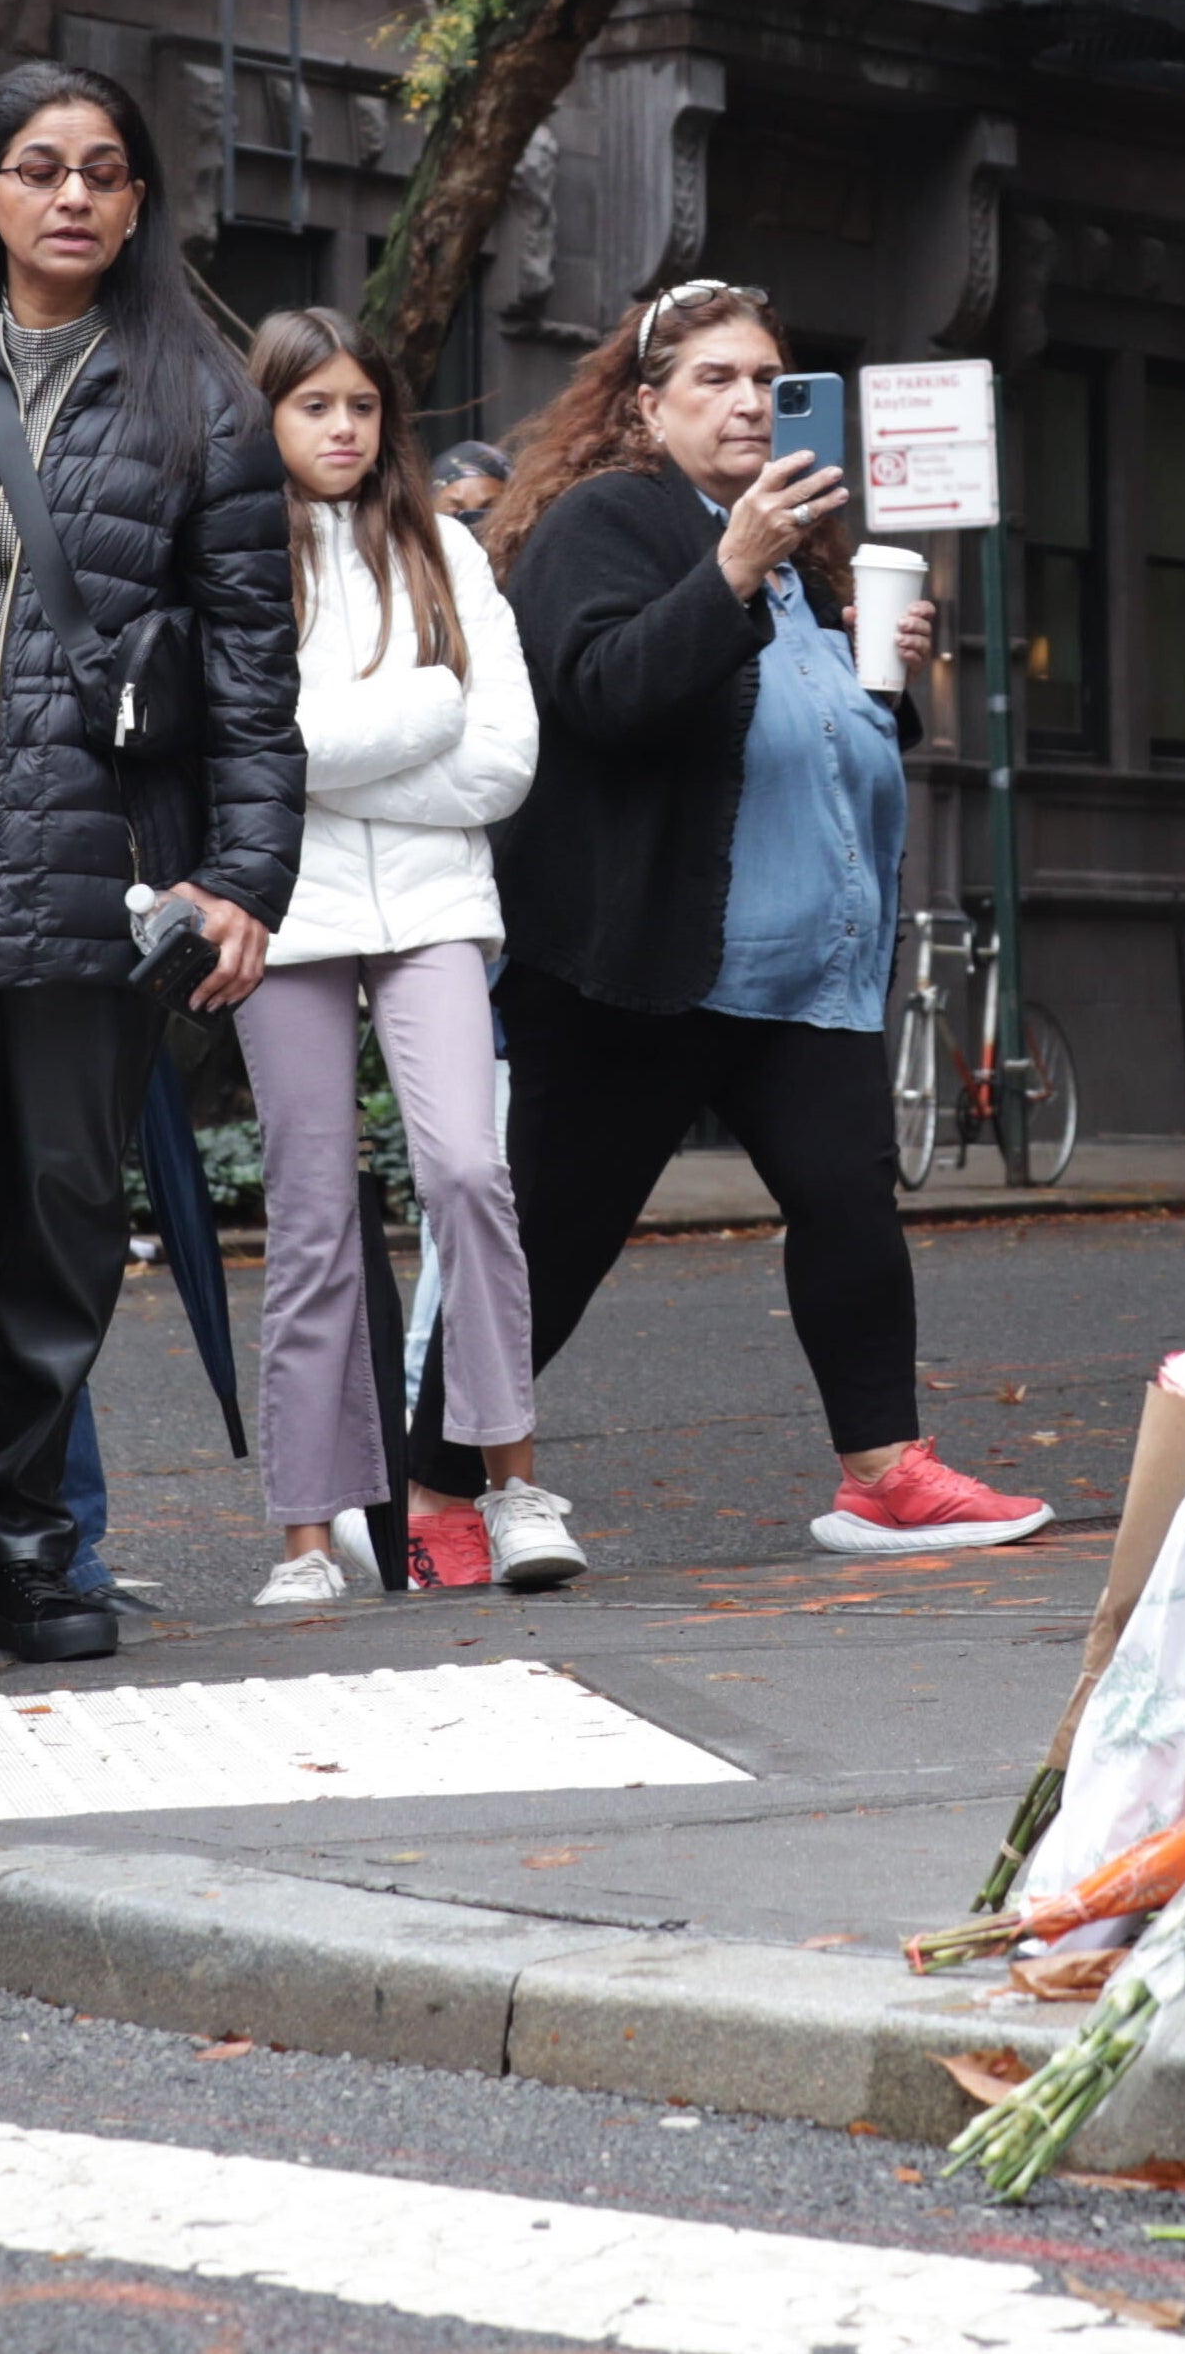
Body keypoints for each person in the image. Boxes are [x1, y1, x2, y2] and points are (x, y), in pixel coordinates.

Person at [443, 284, 1047, 1561]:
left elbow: (811, 730)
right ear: (646, 403)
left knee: (848, 1202)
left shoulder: (796, 546)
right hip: (641, 961)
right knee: (558, 1238)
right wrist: (730, 569)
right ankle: (434, 1491)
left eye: (770, 378)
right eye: (714, 377)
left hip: (804, 966)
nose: (751, 400)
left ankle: (883, 1470)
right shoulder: (609, 518)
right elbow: (601, 694)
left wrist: (879, 673)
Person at [0, 65, 297, 1678]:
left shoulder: (205, 398)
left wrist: (246, 876)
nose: (75, 197)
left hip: (97, 862)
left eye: (105, 172)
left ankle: (28, 1541)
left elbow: (252, 665)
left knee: (64, 1207)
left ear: (142, 203)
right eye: (40, 169)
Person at [232, 308, 558, 1605]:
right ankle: (309, 1532)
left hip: (430, 909)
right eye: (314, 404)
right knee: (312, 1211)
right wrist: (417, 709)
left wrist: (324, 764)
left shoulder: (449, 555)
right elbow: (253, 748)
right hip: (285, 911)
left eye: (363, 404)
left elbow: (502, 760)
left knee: (471, 1172)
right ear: (268, 417)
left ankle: (510, 1482)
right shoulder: (235, 557)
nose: (344, 427)